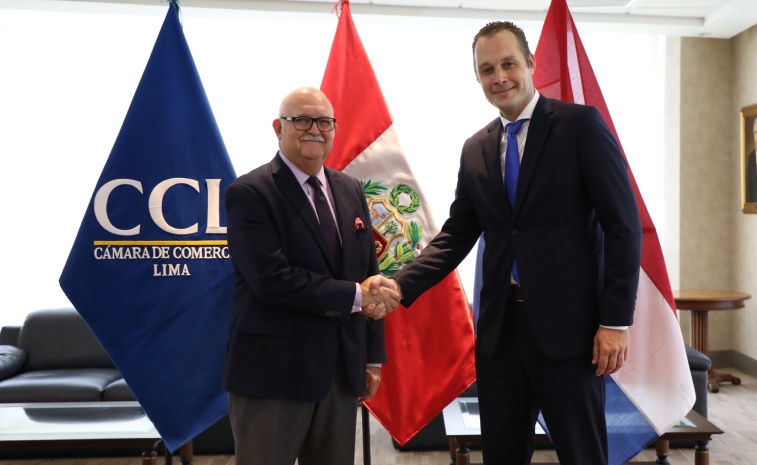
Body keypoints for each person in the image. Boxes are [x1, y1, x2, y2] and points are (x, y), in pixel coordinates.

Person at [373, 22, 642, 465]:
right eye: (487, 69)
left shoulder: (580, 126)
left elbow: (624, 227)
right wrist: (400, 284)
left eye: (508, 64)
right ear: (477, 77)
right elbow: (457, 234)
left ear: (530, 64)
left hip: (570, 333)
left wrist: (615, 321)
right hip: (501, 334)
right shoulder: (475, 149)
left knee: (582, 455)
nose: (499, 77)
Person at [222, 87, 400, 465]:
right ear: (278, 128)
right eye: (301, 120)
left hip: (339, 373)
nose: (314, 129)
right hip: (273, 375)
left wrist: (371, 359)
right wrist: (357, 295)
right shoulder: (249, 192)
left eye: (324, 121)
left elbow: (369, 273)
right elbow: (272, 280)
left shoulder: (350, 188)